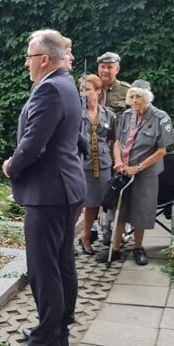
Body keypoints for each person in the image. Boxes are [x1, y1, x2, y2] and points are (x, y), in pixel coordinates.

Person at [2, 29, 86, 346]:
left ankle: (47, 343)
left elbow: (34, 144)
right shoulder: (67, 84)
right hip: (65, 189)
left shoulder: (50, 88)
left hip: (48, 192)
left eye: (29, 56)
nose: (26, 63)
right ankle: (57, 330)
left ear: (45, 59)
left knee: (43, 268)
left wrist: (11, 166)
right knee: (63, 263)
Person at [96, 80, 174, 266]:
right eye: (131, 96)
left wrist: (138, 167)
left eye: (138, 96)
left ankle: (138, 248)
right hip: (123, 171)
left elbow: (161, 151)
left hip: (145, 174)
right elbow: (117, 141)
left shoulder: (160, 118)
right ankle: (115, 249)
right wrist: (118, 161)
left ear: (147, 98)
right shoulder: (126, 115)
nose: (134, 100)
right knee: (119, 209)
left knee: (141, 211)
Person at [77, 74, 116, 255]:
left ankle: (86, 237)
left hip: (102, 164)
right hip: (80, 163)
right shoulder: (75, 112)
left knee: (94, 202)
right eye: (81, 89)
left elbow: (112, 139)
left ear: (98, 91)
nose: (83, 93)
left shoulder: (108, 114)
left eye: (87, 89)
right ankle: (66, 242)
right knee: (76, 203)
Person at [96, 51, 130, 245]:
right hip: (94, 151)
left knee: (114, 190)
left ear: (117, 69)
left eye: (110, 67)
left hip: (116, 152)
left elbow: (133, 122)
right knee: (93, 191)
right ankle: (92, 228)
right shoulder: (91, 88)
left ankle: (112, 230)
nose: (106, 70)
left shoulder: (126, 92)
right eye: (103, 66)